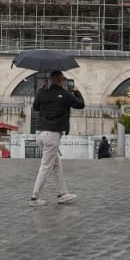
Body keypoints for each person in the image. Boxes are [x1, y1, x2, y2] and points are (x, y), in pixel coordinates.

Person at [29, 70, 84, 206]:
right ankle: (34, 197)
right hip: (52, 134)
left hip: (40, 133)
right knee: (46, 166)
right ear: (60, 80)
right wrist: (77, 92)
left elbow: (35, 107)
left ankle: (62, 194)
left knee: (56, 165)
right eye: (63, 80)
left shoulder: (42, 92)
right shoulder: (65, 95)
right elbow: (80, 104)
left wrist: (40, 92)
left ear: (51, 80)